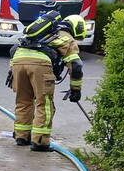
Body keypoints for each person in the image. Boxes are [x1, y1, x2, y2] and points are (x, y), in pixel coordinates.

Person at [6, 10, 83, 151]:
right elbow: (76, 66)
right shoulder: (67, 37)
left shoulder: (42, 33)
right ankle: (40, 142)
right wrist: (75, 89)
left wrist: (12, 71)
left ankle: (21, 137)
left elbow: (14, 49)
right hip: (39, 65)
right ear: (76, 29)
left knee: (23, 101)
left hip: (17, 61)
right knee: (44, 103)